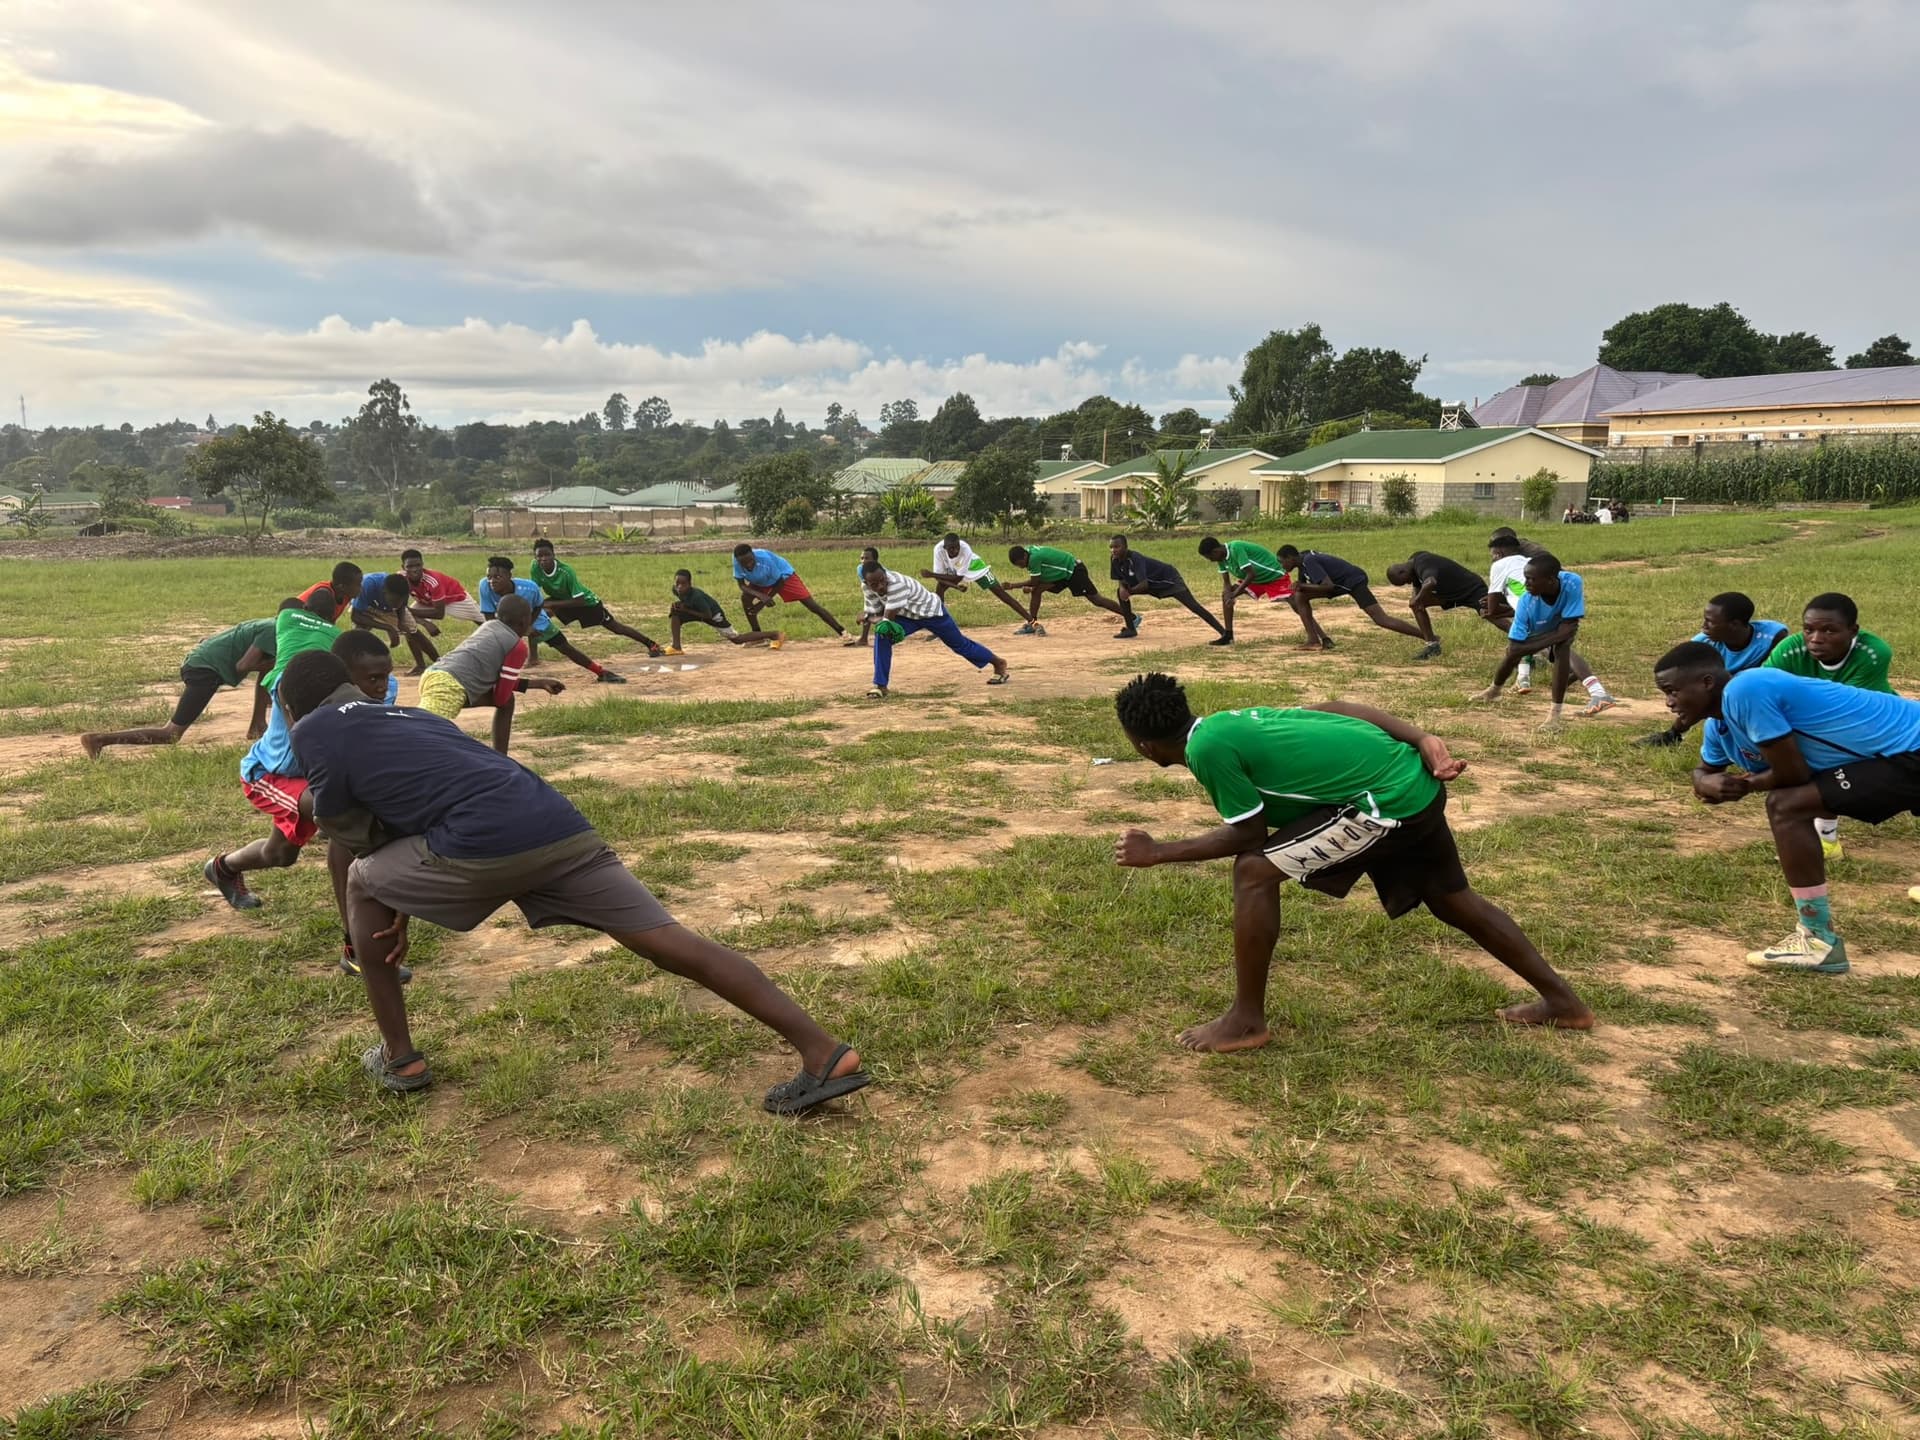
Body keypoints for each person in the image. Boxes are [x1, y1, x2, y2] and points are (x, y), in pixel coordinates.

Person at [278, 648, 871, 1112]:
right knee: (671, 939)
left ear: (289, 708)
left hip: (479, 843)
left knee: (359, 879)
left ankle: (400, 1058)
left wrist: (385, 895)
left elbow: (344, 827)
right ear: (356, 685)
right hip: (556, 824)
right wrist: (403, 897)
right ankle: (824, 1051)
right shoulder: (407, 715)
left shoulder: (313, 730)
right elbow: (417, 811)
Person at [1111, 672, 1592, 1052]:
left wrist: (1158, 853)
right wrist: (1420, 738)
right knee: (1451, 899)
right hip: (1412, 783)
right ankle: (1563, 1003)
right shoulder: (1230, 721)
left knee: (1254, 872)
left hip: (1389, 802)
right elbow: (1339, 710)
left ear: (1144, 746)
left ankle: (1245, 1021)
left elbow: (1249, 834)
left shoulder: (1207, 749)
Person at [1655, 641, 1920, 973]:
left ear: (1707, 682)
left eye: (1671, 691)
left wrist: (1745, 784)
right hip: (1900, 752)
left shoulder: (1745, 689)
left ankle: (1817, 940)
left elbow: (1793, 774)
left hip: (1911, 747)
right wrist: (1701, 781)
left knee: (1787, 805)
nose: (1668, 702)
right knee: (1788, 802)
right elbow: (1706, 771)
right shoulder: (1718, 726)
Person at [204, 597, 411, 982]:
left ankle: (222, 868)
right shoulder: (300, 688)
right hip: (271, 774)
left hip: (318, 776)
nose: (381, 687)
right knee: (343, 819)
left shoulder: (385, 688)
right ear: (341, 675)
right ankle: (356, 947)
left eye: (386, 677)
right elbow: (309, 749)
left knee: (280, 854)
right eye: (371, 680)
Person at [1765, 593, 1897, 861]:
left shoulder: (1872, 653)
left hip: (1878, 724)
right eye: (1809, 629)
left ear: (1853, 631)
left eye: (1829, 630)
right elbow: (1762, 689)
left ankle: (1824, 840)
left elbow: (1845, 712)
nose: (1815, 638)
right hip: (1821, 718)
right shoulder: (1789, 650)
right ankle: (1826, 842)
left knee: (1825, 761)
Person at [81, 615, 277, 757]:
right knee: (171, 735)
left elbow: (205, 640)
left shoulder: (269, 623)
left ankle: (257, 725)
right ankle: (98, 740)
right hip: (203, 671)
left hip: (201, 662)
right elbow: (243, 665)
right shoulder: (271, 630)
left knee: (269, 665)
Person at [1475, 552, 1618, 721]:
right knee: (1512, 654)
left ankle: (1554, 716)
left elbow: (1570, 627)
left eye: (1530, 579)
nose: (1526, 583)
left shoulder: (1572, 582)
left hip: (1558, 618)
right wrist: (1553, 638)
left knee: (1562, 649)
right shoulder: (1526, 601)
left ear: (1551, 580)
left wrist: (1556, 638)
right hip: (1536, 622)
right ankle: (1494, 690)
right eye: (1525, 578)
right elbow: (1516, 648)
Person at [417, 594, 565, 753]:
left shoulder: (489, 626)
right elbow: (501, 696)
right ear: (525, 621)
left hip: (434, 675)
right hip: (449, 687)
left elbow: (501, 688)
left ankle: (501, 760)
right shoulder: (517, 646)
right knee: (423, 732)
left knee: (509, 701)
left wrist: (538, 683)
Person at [1637, 593, 1787, 748]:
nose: (1703, 627)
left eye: (1710, 622)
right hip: (1719, 685)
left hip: (1759, 689)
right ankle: (1673, 734)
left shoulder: (1772, 637)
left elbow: (1777, 677)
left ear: (1734, 624)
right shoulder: (1703, 643)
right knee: (1700, 699)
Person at [860, 560, 1010, 698]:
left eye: (882, 580)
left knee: (960, 645)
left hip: (931, 613)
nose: (880, 586)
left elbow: (885, 620)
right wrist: (872, 617)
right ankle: (881, 685)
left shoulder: (896, 583)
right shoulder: (866, 588)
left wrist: (868, 617)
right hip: (908, 615)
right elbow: (878, 614)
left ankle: (998, 663)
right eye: (874, 584)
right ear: (866, 583)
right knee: (882, 635)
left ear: (886, 575)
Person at [478, 557, 626, 684]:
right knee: (492, 647)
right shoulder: (484, 586)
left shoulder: (529, 588)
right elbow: (489, 617)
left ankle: (601, 672)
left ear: (509, 576)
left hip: (531, 618)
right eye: (489, 577)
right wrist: (505, 636)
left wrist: (528, 626)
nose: (492, 581)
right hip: (503, 622)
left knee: (564, 647)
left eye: (497, 577)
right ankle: (486, 680)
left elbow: (538, 606)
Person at [529, 538, 664, 657]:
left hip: (587, 604)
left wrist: (552, 605)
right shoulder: (535, 567)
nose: (543, 559)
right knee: (534, 616)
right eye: (539, 556)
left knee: (616, 628)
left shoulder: (566, 572)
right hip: (560, 600)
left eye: (547, 555)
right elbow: (535, 589)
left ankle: (650, 643)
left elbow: (579, 600)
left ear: (554, 555)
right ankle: (533, 658)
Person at [1273, 546, 1425, 651]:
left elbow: (1328, 586)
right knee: (1300, 596)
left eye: (1281, 561)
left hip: (1353, 581)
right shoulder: (1303, 562)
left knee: (1381, 619)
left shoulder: (1309, 561)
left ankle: (1428, 635)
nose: (1281, 565)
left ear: (1291, 558)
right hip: (1345, 582)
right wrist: (1297, 588)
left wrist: (1300, 587)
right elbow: (1305, 587)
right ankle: (1318, 640)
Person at [1108, 536, 1228, 642]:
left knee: (1194, 607)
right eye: (1111, 547)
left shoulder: (1135, 558)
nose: (1114, 550)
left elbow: (1143, 585)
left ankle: (1224, 633)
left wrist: (1128, 592)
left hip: (1169, 580)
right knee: (1120, 592)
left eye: (1117, 546)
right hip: (1151, 584)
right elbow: (1120, 578)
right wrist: (1123, 588)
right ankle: (1131, 629)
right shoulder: (1114, 559)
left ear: (1125, 546)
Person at [731, 544, 853, 642]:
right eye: (744, 563)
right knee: (745, 598)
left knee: (811, 605)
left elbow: (779, 583)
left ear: (753, 555)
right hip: (761, 580)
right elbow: (742, 585)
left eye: (750, 561)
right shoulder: (737, 561)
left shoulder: (765, 559)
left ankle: (842, 632)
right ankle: (757, 636)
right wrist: (761, 596)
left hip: (783, 577)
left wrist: (762, 603)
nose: (748, 565)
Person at [1384, 551, 1491, 661]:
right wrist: (1415, 599)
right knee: (1416, 605)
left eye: (1406, 581)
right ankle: (1432, 645)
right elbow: (1417, 586)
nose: (1408, 582)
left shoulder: (1422, 562)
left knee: (1490, 614)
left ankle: (1510, 637)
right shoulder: (1412, 565)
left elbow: (1430, 582)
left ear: (1402, 572)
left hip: (1472, 589)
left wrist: (1418, 599)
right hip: (1451, 594)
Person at [1006, 544, 1130, 636]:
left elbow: (1034, 581)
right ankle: (1032, 623)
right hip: (1062, 574)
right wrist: (1031, 586)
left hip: (1073, 571)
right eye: (1017, 565)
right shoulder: (1029, 551)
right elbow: (1036, 582)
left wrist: (1012, 586)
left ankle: (1131, 617)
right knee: (1036, 590)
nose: (1021, 566)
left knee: (1097, 600)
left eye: (1020, 563)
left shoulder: (1033, 559)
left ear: (1024, 555)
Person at [1198, 536, 1291, 645]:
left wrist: (1234, 594)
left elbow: (1251, 574)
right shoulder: (1221, 559)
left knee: (1295, 601)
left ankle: (1313, 633)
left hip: (1274, 576)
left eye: (1210, 558)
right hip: (1256, 580)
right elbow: (1226, 582)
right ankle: (1228, 635)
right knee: (1225, 595)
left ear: (1215, 551)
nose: (1210, 561)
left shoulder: (1236, 548)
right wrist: (1229, 594)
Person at [924, 533, 1032, 625]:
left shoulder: (965, 548)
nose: (955, 550)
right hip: (955, 569)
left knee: (1000, 593)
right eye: (951, 549)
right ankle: (940, 625)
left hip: (975, 566)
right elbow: (940, 578)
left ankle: (1031, 621)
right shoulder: (938, 550)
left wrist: (932, 574)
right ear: (945, 547)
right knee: (940, 589)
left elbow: (957, 577)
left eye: (957, 547)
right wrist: (955, 586)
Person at [665, 569, 782, 653]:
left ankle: (774, 634)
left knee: (737, 639)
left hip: (713, 615)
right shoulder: (676, 590)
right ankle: (676, 647)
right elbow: (685, 601)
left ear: (690, 584)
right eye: (677, 584)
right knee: (675, 612)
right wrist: (681, 606)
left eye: (683, 584)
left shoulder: (697, 596)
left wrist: (686, 609)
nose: (680, 587)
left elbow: (707, 615)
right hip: (697, 611)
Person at [350, 571, 436, 674]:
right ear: (384, 592)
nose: (396, 604)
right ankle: (354, 668)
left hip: (387, 608)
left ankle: (434, 663)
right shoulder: (368, 585)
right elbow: (356, 616)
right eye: (394, 601)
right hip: (367, 606)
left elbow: (401, 605)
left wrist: (400, 622)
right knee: (359, 634)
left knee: (413, 632)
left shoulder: (403, 589)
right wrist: (388, 628)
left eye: (399, 601)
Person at [400, 549, 485, 644]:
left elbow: (439, 614)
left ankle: (499, 637)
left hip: (454, 599)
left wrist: (410, 611)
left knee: (485, 621)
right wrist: (425, 623)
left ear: (422, 564)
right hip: (426, 600)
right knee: (406, 623)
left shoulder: (432, 581)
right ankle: (421, 656)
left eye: (418, 565)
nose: (414, 570)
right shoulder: (400, 579)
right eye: (410, 566)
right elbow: (401, 609)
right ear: (403, 567)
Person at [299, 563, 363, 622]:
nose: (361, 588)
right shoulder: (323, 596)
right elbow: (317, 624)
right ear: (342, 587)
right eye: (358, 585)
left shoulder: (345, 595)